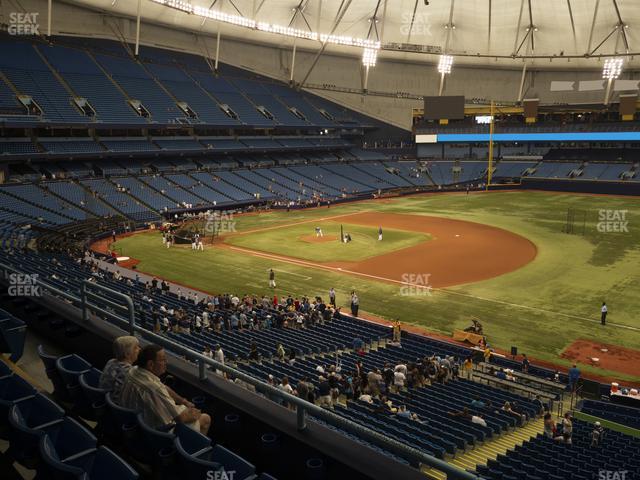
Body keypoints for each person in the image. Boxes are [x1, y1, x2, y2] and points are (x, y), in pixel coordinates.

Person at [120, 345, 211, 435]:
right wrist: (195, 414)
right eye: (163, 360)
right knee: (205, 419)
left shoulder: (134, 370)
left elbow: (163, 387)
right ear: (151, 364)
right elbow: (181, 418)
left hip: (134, 423)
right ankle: (192, 448)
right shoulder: (154, 388)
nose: (166, 362)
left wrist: (183, 401)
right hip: (154, 433)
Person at [99, 336, 140, 404]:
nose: (139, 349)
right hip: (114, 407)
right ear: (127, 354)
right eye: (135, 347)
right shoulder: (131, 372)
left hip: (103, 400)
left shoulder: (111, 361)